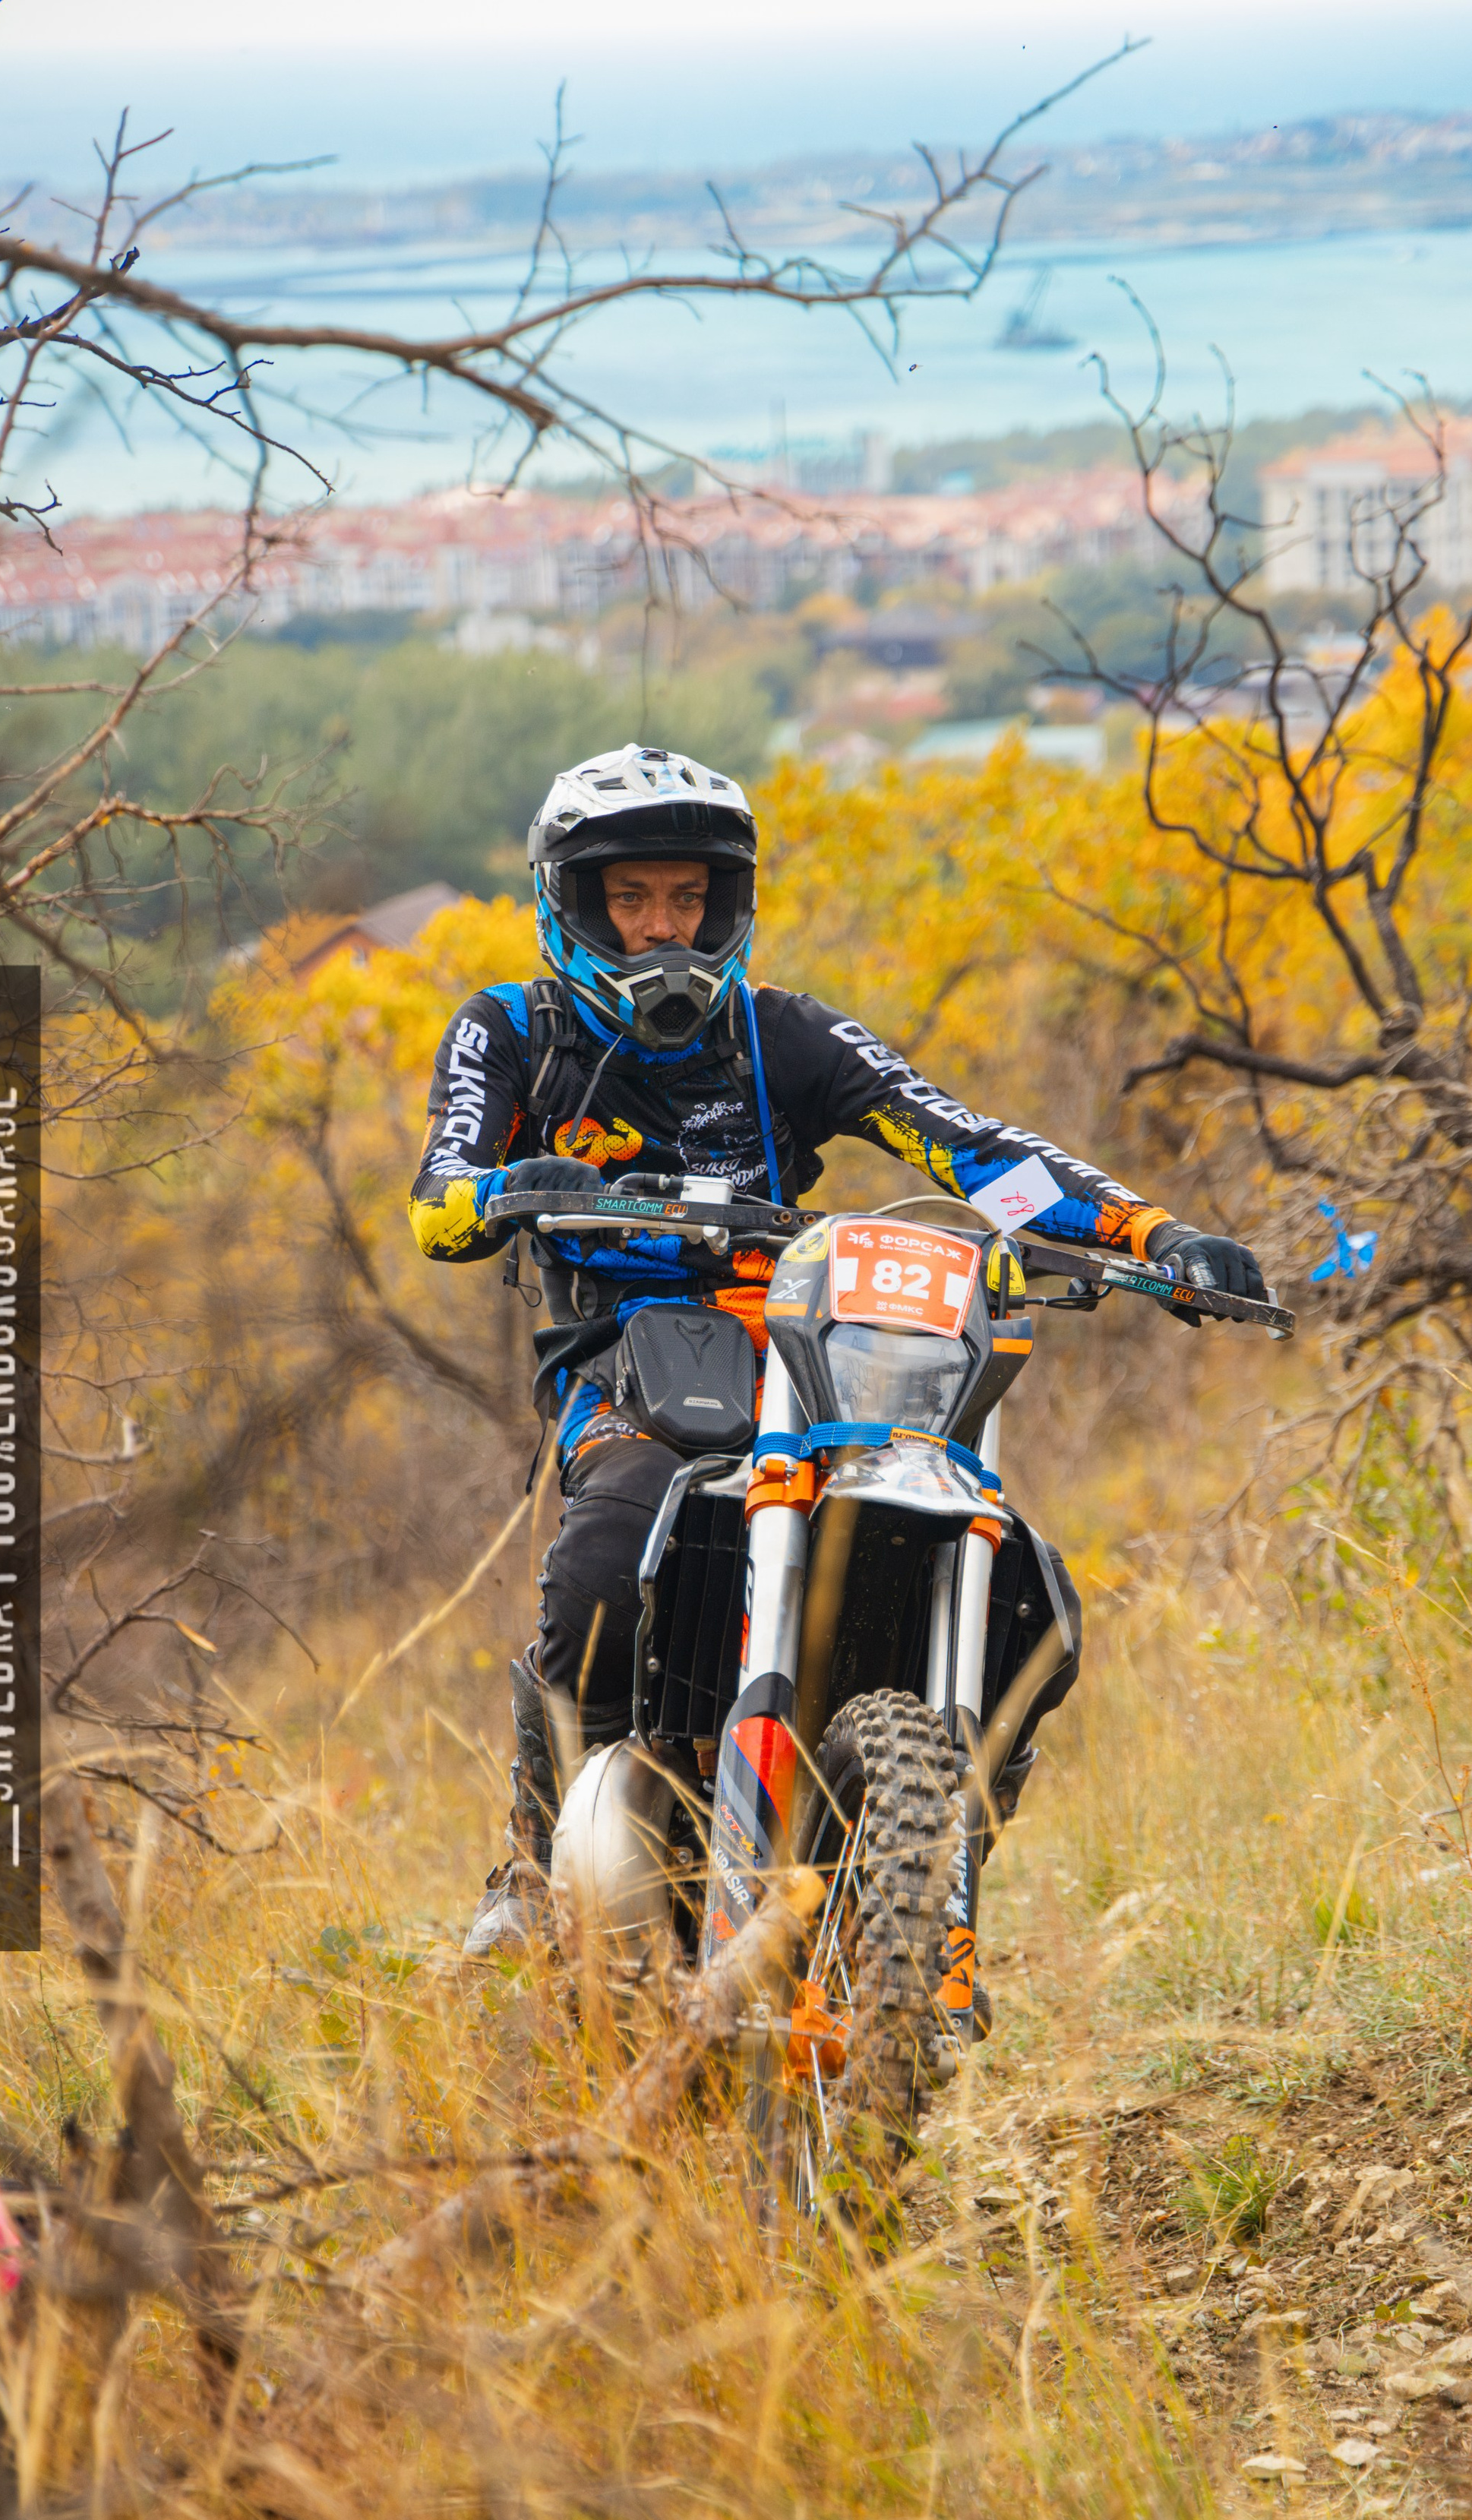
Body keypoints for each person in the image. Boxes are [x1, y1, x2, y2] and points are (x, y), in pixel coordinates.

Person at [410, 742, 1264, 1958]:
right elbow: (436, 1199)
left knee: (1008, 1567)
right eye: (634, 898)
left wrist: (1149, 1231)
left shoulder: (782, 1038)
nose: (666, 928)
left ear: (730, 903)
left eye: (690, 899)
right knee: (612, 1549)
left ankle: (921, 1857)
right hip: (635, 1367)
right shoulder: (509, 1029)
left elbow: (968, 1150)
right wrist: (508, 1187)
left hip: (815, 1353)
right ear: (574, 901)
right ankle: (532, 1864)